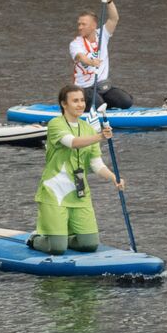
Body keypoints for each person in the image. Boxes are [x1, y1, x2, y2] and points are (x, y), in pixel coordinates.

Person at [29, 85, 126, 255]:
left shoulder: (88, 128)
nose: (80, 104)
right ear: (64, 104)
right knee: (57, 249)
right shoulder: (55, 124)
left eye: (82, 100)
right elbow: (72, 142)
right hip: (54, 192)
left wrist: (114, 178)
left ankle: (61, 235)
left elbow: (97, 165)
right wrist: (101, 136)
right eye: (75, 101)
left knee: (89, 244)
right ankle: (35, 238)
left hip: (79, 194)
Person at [71, 0, 132, 111]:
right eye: (79, 24)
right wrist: (91, 62)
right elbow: (80, 57)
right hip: (84, 88)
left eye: (83, 24)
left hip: (103, 87)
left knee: (126, 102)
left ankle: (104, 105)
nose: (80, 27)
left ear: (94, 25)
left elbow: (114, 19)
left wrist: (109, 1)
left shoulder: (102, 34)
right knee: (98, 104)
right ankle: (93, 105)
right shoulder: (75, 43)